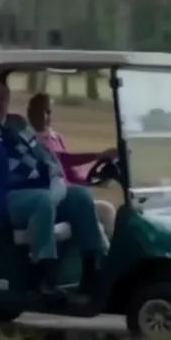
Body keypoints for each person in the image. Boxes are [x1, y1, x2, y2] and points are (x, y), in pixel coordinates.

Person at [0, 68, 106, 298]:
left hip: (32, 195)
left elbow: (47, 159)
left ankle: (92, 271)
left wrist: (56, 183)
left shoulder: (17, 125)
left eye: (2, 98)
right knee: (42, 201)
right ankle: (42, 276)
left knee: (80, 197)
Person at [26, 93, 118, 239]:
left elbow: (69, 173)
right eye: (40, 111)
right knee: (94, 225)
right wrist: (98, 155)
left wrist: (92, 180)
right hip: (52, 201)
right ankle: (97, 250)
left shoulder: (55, 138)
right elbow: (62, 159)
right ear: (30, 113)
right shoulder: (28, 140)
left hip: (70, 197)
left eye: (48, 112)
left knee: (107, 210)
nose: (45, 117)